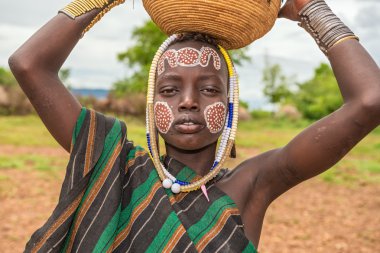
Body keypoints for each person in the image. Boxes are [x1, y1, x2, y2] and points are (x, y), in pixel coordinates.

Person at [8, 0, 380, 252]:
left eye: (208, 89)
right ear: (154, 105)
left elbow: (370, 100)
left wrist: (310, 10)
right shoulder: (114, 162)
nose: (188, 101)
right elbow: (29, 65)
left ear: (229, 104)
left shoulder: (252, 184)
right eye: (170, 90)